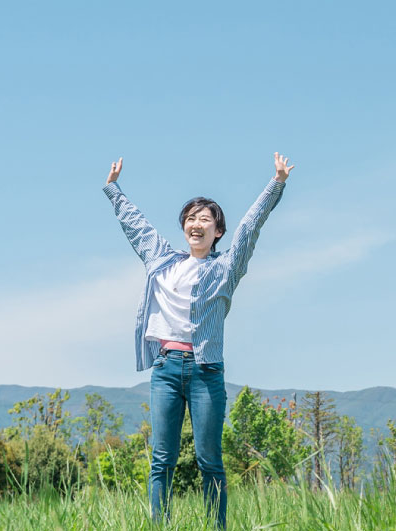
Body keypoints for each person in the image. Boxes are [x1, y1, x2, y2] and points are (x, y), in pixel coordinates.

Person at [103, 152, 295, 529]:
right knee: (162, 458)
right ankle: (160, 525)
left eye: (204, 220)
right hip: (166, 369)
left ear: (217, 232)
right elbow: (137, 226)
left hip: (206, 371)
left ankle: (216, 526)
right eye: (190, 219)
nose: (196, 224)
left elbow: (250, 227)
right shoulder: (162, 260)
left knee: (209, 459)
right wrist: (113, 190)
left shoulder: (226, 268)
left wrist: (277, 183)